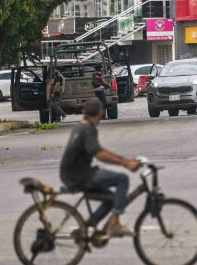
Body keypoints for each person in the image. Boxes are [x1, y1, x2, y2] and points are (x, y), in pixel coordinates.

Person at [59, 98, 140, 238]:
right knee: (123, 179)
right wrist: (125, 164)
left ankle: (88, 225)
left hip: (71, 173)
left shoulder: (81, 126)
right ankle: (114, 224)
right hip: (80, 175)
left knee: (113, 199)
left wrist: (125, 160)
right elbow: (99, 154)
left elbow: (99, 149)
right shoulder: (87, 129)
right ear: (101, 113)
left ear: (84, 112)